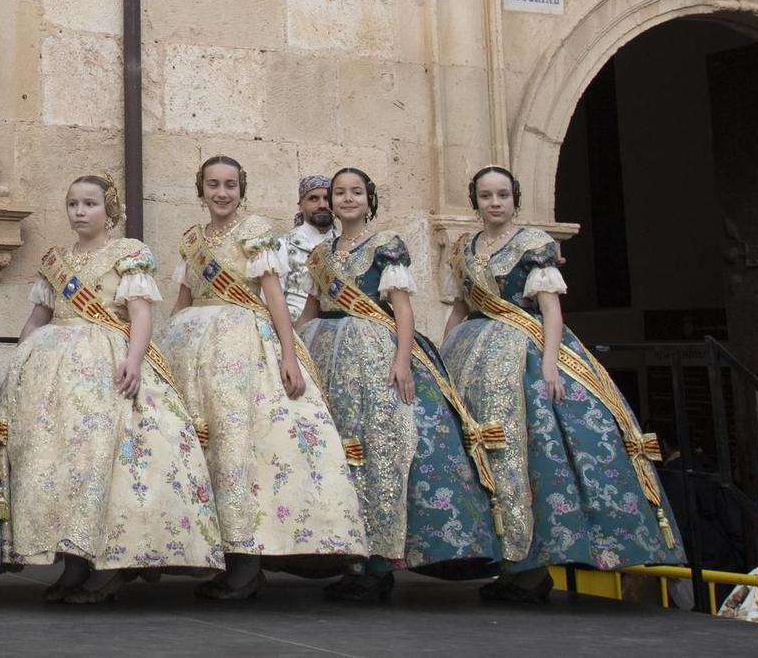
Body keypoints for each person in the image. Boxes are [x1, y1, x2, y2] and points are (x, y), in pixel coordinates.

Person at [441, 164, 683, 603]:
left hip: (524, 354)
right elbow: (460, 307)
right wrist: (443, 358)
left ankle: (532, 570)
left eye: (502, 195)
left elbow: (551, 309)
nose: (494, 203)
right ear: (474, 201)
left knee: (534, 456)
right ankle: (508, 564)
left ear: (515, 198)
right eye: (486, 196)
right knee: (483, 456)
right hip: (470, 356)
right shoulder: (464, 248)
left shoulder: (533, 244)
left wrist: (550, 365)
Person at [2, 174, 222, 603]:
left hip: (107, 366)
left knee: (104, 462)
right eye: (73, 204)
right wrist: (19, 362)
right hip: (54, 373)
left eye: (90, 203)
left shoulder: (129, 254)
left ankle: (110, 567)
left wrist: (134, 361)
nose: (80, 211)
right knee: (61, 463)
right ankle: (73, 561)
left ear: (110, 211)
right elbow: (38, 317)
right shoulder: (56, 260)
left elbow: (141, 315)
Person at [158, 155, 365, 600]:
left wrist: (290, 356)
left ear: (242, 189)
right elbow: (183, 298)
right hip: (191, 348)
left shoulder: (256, 233)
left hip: (245, 348)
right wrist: (162, 352)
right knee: (203, 449)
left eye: (230, 185)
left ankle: (247, 565)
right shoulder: (192, 240)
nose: (222, 193)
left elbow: (273, 298)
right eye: (213, 184)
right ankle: (218, 555)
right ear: (200, 190)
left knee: (240, 449)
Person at [296, 167, 502, 599]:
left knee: (379, 451)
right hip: (325, 354)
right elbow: (311, 308)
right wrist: (290, 350)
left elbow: (402, 308)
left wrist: (403, 360)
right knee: (339, 453)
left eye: (356, 192)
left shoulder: (386, 245)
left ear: (369, 199)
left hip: (373, 354)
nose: (347, 199)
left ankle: (378, 563)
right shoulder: (320, 255)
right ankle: (351, 556)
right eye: (339, 192)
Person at [283, 175, 333, 317]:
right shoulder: (284, 245)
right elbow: (272, 298)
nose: (322, 205)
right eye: (313, 199)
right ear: (300, 206)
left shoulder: (345, 245)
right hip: (294, 323)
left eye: (327, 198)